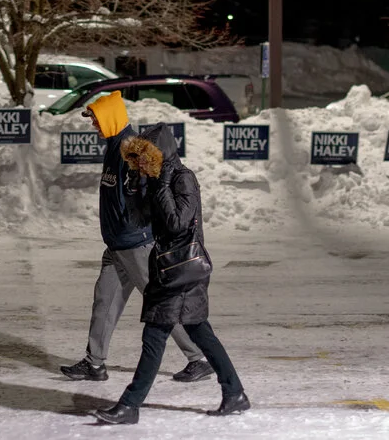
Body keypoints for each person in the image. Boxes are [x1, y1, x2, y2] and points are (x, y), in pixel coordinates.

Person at [92, 123, 249, 425]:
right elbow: (142, 221)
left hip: (182, 270)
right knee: (201, 333)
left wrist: (161, 186)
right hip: (168, 269)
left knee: (154, 339)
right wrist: (135, 192)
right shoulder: (154, 180)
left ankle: (129, 404)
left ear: (159, 153)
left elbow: (177, 223)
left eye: (144, 157)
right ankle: (235, 392)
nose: (140, 163)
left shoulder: (182, 179)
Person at [60, 91, 215, 383]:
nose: (92, 123)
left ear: (109, 117)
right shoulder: (113, 146)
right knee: (104, 302)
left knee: (164, 303)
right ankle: (94, 363)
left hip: (136, 245)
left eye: (95, 118)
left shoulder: (130, 148)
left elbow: (144, 193)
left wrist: (137, 228)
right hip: (117, 245)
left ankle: (199, 358)